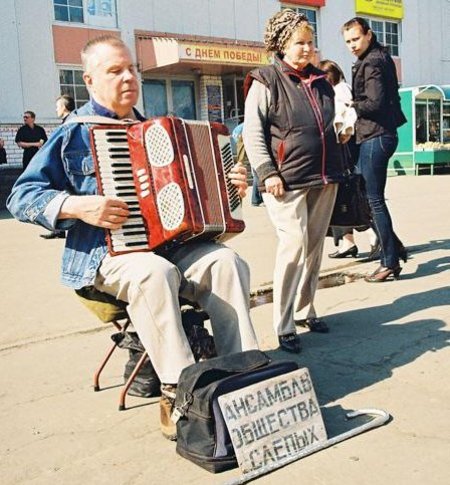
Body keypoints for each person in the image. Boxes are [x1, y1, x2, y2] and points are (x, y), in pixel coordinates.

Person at [7, 35, 259, 441]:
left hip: (172, 247)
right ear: (89, 80)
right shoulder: (73, 133)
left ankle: (244, 377)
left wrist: (230, 187)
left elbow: (200, 195)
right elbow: (21, 196)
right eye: (114, 71)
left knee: (226, 262)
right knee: (152, 273)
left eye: (132, 69)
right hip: (104, 255)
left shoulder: (155, 131)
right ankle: (180, 392)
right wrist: (75, 205)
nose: (128, 77)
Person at [243, 10, 344, 353]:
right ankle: (284, 324)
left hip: (325, 176)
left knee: (314, 249)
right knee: (293, 247)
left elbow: (328, 124)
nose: (307, 49)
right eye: (299, 43)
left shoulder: (321, 80)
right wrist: (268, 173)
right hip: (285, 181)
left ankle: (305, 310)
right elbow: (254, 134)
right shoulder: (266, 80)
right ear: (281, 44)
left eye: (311, 43)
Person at [342, 17, 408, 282]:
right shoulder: (378, 57)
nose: (352, 46)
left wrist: (350, 106)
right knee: (368, 197)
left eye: (356, 39)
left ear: (368, 35)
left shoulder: (372, 62)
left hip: (375, 135)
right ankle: (394, 248)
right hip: (377, 135)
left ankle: (389, 261)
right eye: (347, 41)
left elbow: (376, 102)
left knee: (374, 200)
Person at [318, 59, 380, 261]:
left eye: (324, 76)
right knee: (341, 198)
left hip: (345, 152)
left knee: (350, 196)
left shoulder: (341, 90)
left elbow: (347, 118)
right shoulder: (334, 91)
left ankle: (374, 235)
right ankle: (348, 242)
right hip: (340, 153)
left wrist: (343, 133)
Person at [40, 95, 76, 240]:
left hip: (69, 171)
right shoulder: (69, 122)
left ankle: (62, 230)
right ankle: (58, 230)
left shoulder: (70, 124)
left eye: (57, 106)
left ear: (63, 107)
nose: (56, 109)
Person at [232, 122, 263, 207]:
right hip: (241, 136)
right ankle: (255, 199)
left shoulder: (249, 125)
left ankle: (256, 199)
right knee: (242, 164)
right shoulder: (252, 126)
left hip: (240, 136)